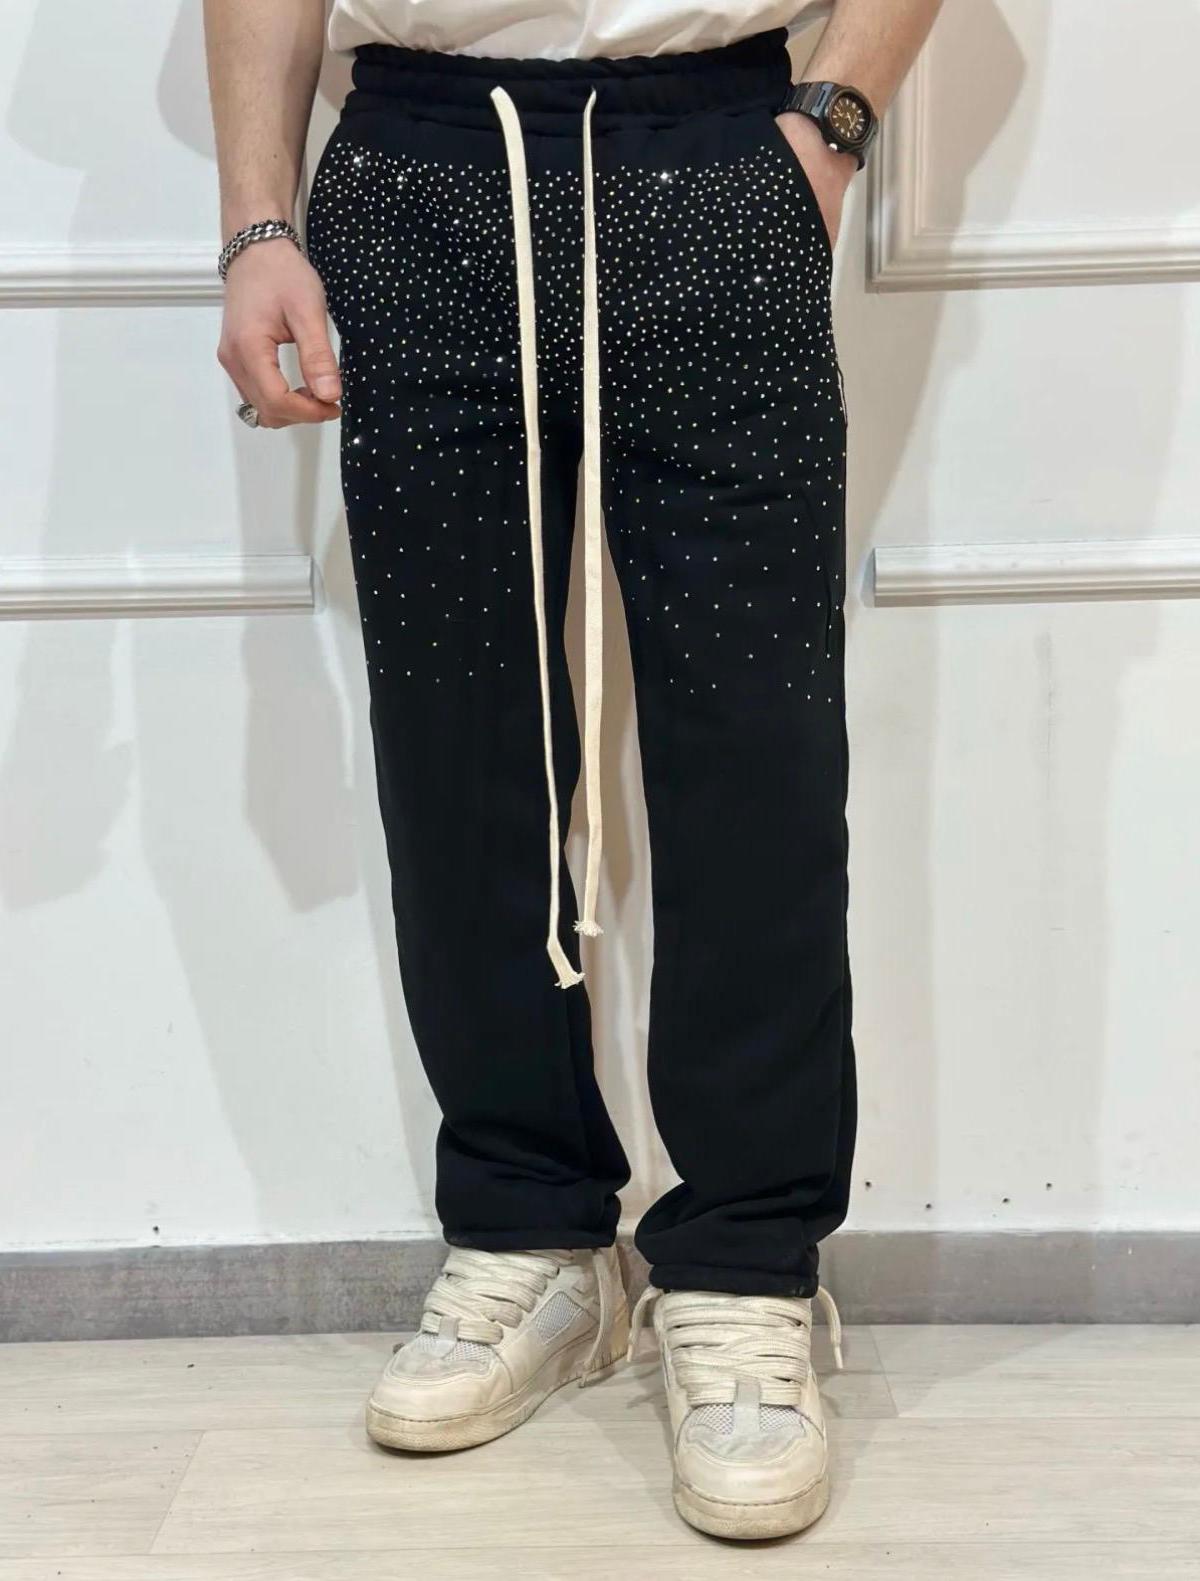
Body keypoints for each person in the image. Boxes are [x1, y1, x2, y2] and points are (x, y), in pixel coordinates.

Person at [205, 0, 941, 1541]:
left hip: (718, 161)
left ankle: (743, 1266)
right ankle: (528, 1232)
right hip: (416, 174)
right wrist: (257, 221)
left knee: (757, 750)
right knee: (456, 746)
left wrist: (829, 129)